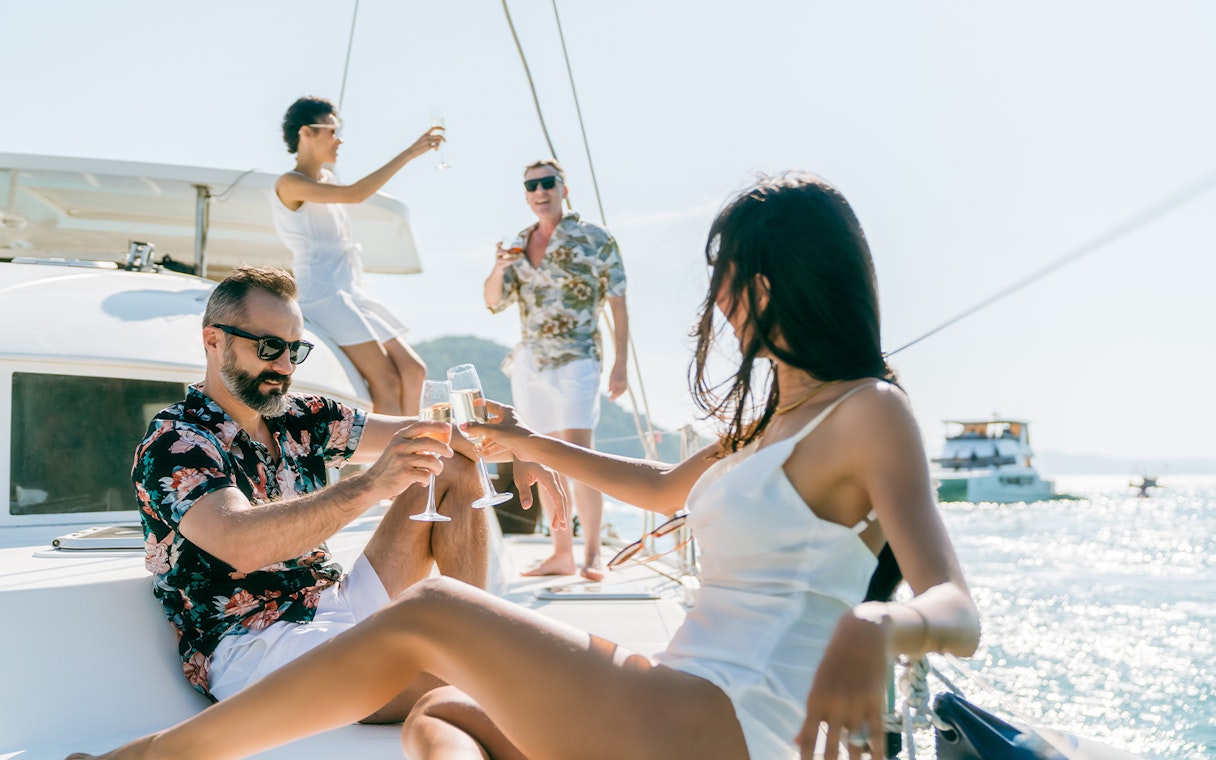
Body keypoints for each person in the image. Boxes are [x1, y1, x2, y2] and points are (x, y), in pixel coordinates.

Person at [70, 173, 981, 760]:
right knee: (446, 716)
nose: (719, 302)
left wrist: (878, 624)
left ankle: (155, 758)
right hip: (679, 692)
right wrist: (525, 445)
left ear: (779, 282)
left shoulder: (869, 412)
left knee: (434, 616)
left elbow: (955, 610)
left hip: (733, 723)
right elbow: (662, 489)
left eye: (729, 277)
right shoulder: (775, 418)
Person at [127, 264, 565, 717]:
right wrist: (373, 484)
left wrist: (526, 447)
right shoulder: (177, 440)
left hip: (332, 601)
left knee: (450, 464)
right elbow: (240, 542)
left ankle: (477, 630)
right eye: (269, 347)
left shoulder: (300, 416)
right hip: (252, 643)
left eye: (295, 350)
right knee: (466, 679)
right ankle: (483, 656)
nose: (284, 366)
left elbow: (436, 433)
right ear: (213, 341)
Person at [483, 158, 629, 581]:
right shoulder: (516, 244)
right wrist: (499, 267)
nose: (540, 191)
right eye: (531, 186)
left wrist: (620, 364)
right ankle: (561, 553)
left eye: (548, 183)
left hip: (579, 355)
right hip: (531, 361)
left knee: (581, 453)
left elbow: (618, 301)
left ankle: (594, 553)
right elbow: (494, 301)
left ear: (564, 188)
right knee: (542, 452)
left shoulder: (595, 239)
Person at [272, 95, 442, 416]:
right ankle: (394, 461)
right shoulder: (290, 183)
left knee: (414, 371)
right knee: (387, 383)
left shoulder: (327, 179)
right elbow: (355, 195)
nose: (340, 140)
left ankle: (413, 451)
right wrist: (410, 152)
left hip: (349, 291)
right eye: (333, 131)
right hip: (322, 293)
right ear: (307, 133)